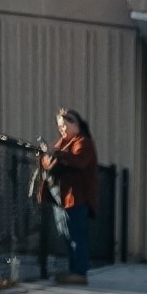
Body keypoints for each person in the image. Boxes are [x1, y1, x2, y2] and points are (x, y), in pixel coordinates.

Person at [40, 107, 98, 284]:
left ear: (76, 125)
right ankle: (74, 271)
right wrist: (48, 154)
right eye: (59, 126)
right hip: (61, 198)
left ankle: (79, 273)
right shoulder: (62, 143)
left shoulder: (83, 142)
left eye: (64, 125)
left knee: (76, 237)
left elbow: (79, 161)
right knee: (67, 236)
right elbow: (47, 162)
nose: (61, 129)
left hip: (76, 199)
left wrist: (56, 154)